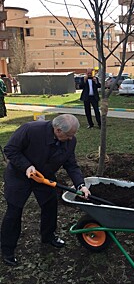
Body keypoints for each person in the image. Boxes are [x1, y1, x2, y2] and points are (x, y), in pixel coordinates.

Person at [1, 114, 90, 266]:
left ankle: (48, 236)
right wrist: (26, 166)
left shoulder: (70, 141)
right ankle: (7, 250)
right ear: (58, 130)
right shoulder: (30, 130)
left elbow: (71, 164)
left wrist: (80, 185)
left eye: (73, 135)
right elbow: (10, 149)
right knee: (14, 211)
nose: (71, 139)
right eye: (69, 135)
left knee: (50, 205)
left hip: (44, 177)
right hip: (19, 175)